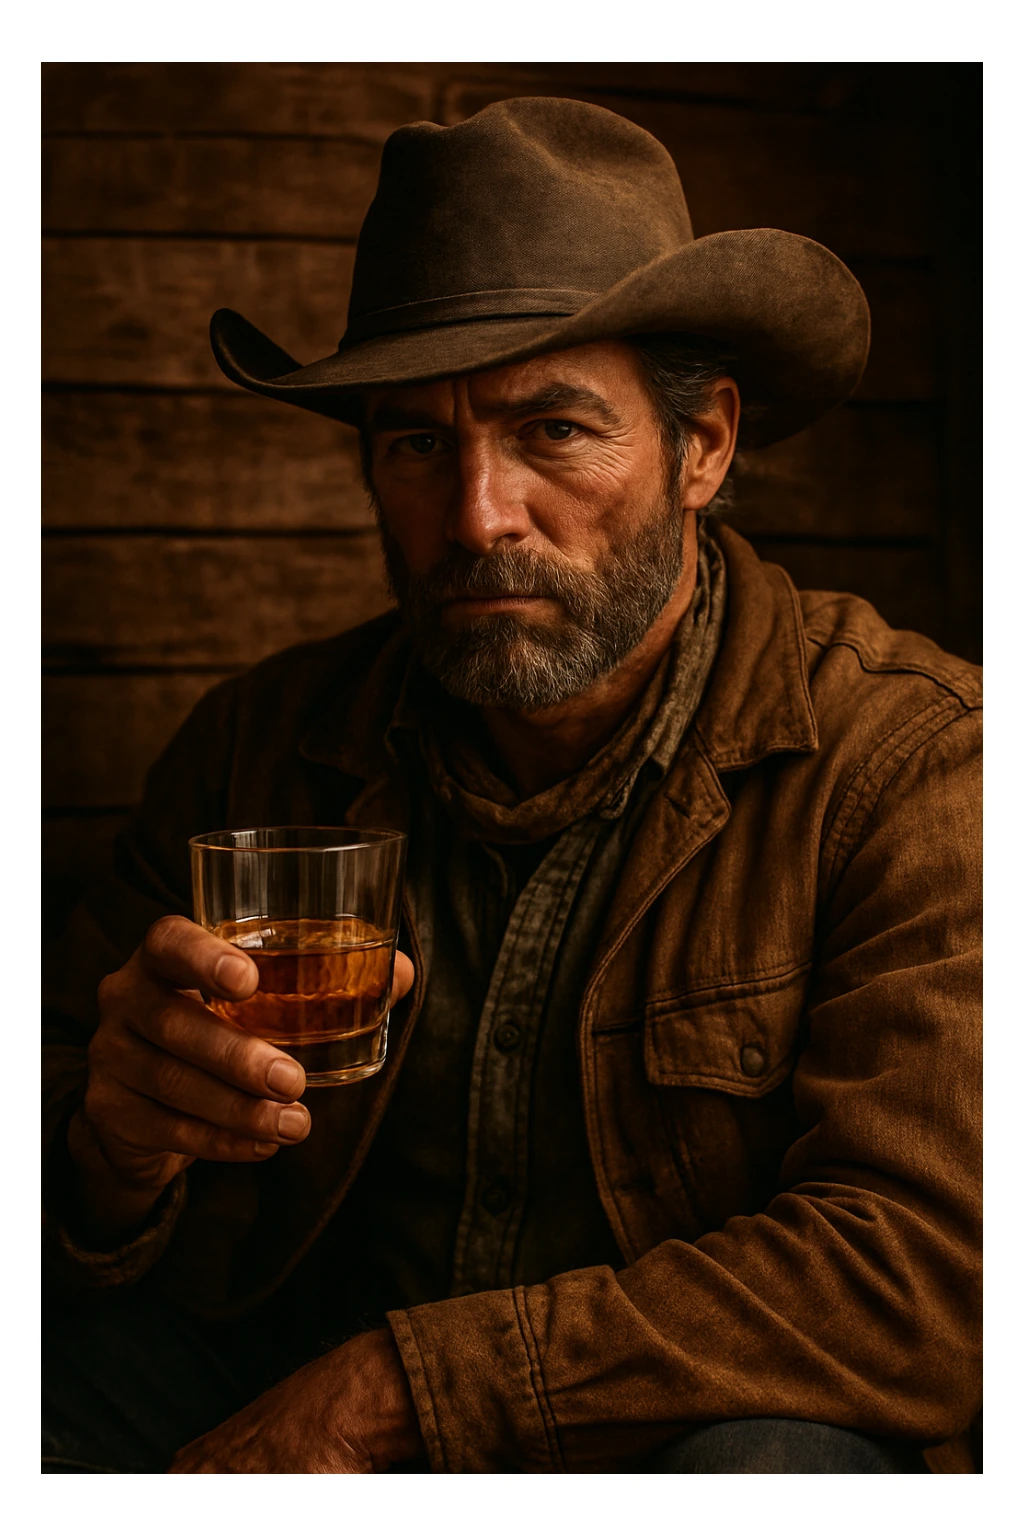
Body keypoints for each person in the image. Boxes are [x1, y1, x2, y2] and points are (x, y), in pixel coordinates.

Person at [42, 97, 981, 1475]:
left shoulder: (910, 760)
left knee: (774, 1472)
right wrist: (109, 1156)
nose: (478, 515)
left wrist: (394, 1391)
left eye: (552, 431)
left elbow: (926, 1279)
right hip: (278, 1368)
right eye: (418, 443)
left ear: (704, 448)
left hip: (659, 1437)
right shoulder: (255, 745)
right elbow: (75, 1156)